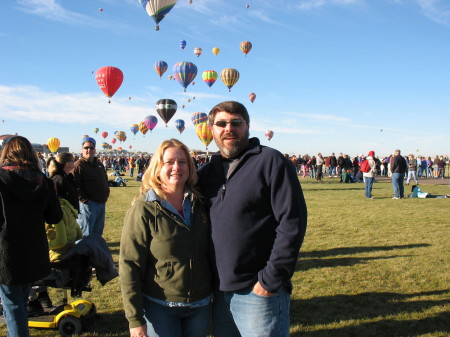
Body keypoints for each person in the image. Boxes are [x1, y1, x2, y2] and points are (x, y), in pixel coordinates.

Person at [197, 101, 307, 337]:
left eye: (236, 122)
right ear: (211, 129)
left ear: (247, 126)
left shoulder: (271, 161)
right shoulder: (206, 172)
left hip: (256, 291)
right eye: (221, 123)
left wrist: (270, 280)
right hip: (216, 291)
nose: (229, 128)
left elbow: (292, 222)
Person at [120, 139, 213, 337]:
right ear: (157, 167)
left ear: (190, 166)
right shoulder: (144, 209)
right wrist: (135, 318)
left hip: (201, 304)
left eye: (182, 161)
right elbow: (130, 265)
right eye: (169, 162)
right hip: (161, 306)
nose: (176, 167)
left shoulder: (201, 203)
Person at [0, 136, 62, 337]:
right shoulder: (43, 181)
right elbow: (55, 216)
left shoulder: (2, 179)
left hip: (7, 252)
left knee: (13, 305)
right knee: (19, 301)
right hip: (33, 250)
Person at [74, 136, 110, 237]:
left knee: (98, 233)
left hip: (101, 203)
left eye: (91, 148)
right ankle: (83, 252)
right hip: (87, 205)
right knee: (86, 233)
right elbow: (74, 186)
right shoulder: (78, 165)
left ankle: (94, 252)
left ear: (95, 150)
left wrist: (106, 192)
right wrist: (85, 200)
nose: (89, 150)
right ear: (82, 150)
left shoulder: (99, 164)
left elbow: (105, 179)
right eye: (86, 148)